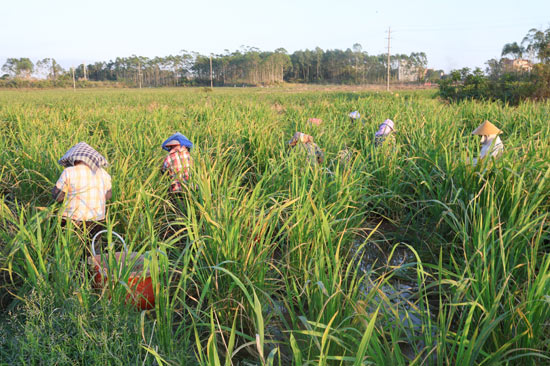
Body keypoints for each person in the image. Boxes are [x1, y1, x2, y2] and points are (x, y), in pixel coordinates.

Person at [52, 142, 112, 237]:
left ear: (74, 160)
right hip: (96, 220)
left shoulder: (69, 171)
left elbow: (58, 197)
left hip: (72, 219)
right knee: (92, 246)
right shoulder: (104, 174)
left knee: (68, 245)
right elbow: (108, 196)